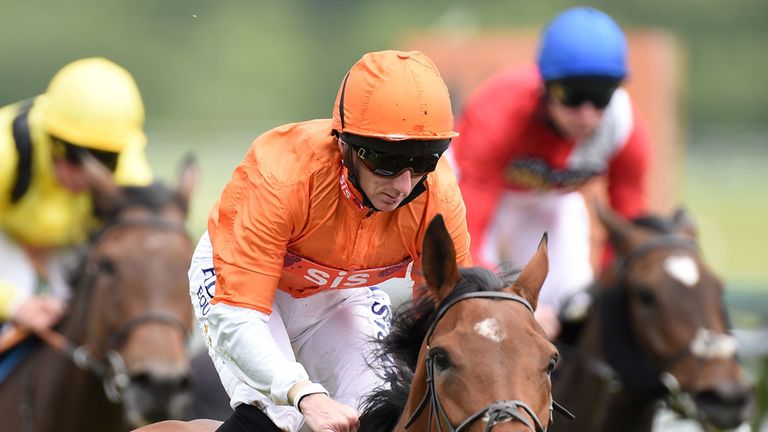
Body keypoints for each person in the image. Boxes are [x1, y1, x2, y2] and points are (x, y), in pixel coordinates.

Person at [189, 50, 470, 432]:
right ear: (345, 146)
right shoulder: (282, 176)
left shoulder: (437, 196)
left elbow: (452, 317)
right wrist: (304, 394)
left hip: (339, 293)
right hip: (247, 291)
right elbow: (241, 316)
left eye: (425, 161)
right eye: (387, 162)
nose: (404, 185)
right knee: (276, 416)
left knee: (380, 412)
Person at [449, 7, 652, 339]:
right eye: (571, 95)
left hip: (549, 203)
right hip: (473, 195)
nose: (586, 115)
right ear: (545, 85)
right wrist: (508, 299)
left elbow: (626, 226)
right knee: (468, 301)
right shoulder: (499, 111)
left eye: (601, 96)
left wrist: (604, 299)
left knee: (574, 305)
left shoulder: (625, 129)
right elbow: (468, 228)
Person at [0, 57, 153, 338]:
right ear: (48, 136)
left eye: (105, 160)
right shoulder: (5, 150)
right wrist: (13, 303)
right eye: (74, 154)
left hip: (68, 244)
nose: (88, 174)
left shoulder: (129, 167)